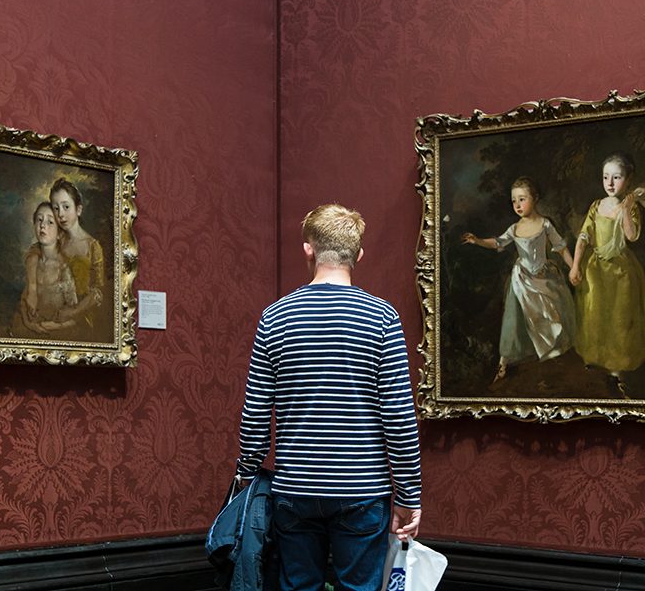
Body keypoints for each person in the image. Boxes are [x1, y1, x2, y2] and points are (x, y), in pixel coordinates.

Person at [236, 203, 422, 591]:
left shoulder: (274, 317)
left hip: (295, 488)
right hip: (362, 489)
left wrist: (246, 474)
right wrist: (409, 495)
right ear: (359, 254)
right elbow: (399, 417)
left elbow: (255, 413)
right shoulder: (382, 318)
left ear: (309, 249)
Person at [462, 176, 576, 383]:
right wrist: (478, 241)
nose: (517, 205)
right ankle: (503, 363)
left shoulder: (545, 224)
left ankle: (552, 356)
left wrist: (574, 267)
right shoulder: (514, 229)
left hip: (543, 276)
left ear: (535, 198)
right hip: (521, 279)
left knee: (550, 315)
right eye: (514, 200)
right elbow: (498, 242)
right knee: (512, 319)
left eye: (522, 199)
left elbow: (560, 247)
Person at [569, 152, 645, 392]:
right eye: (606, 177)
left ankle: (617, 367)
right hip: (596, 269)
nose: (610, 183)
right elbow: (584, 236)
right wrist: (575, 265)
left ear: (627, 180)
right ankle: (595, 358)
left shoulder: (631, 206)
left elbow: (632, 236)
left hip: (621, 270)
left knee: (619, 317)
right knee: (594, 313)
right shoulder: (596, 206)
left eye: (616, 177)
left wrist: (627, 209)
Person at [48, 177, 107, 340]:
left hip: (83, 320)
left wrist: (73, 312)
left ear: (78, 209)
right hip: (55, 315)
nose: (60, 214)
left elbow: (98, 292)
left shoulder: (93, 246)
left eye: (66, 207)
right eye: (56, 208)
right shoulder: (54, 243)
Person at [10, 202, 79, 338]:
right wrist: (29, 324)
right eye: (39, 220)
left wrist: (52, 326)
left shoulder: (64, 268)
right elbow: (25, 301)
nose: (42, 225)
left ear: (60, 232)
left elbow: (74, 316)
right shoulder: (33, 260)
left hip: (54, 333)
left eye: (50, 222)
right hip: (31, 327)